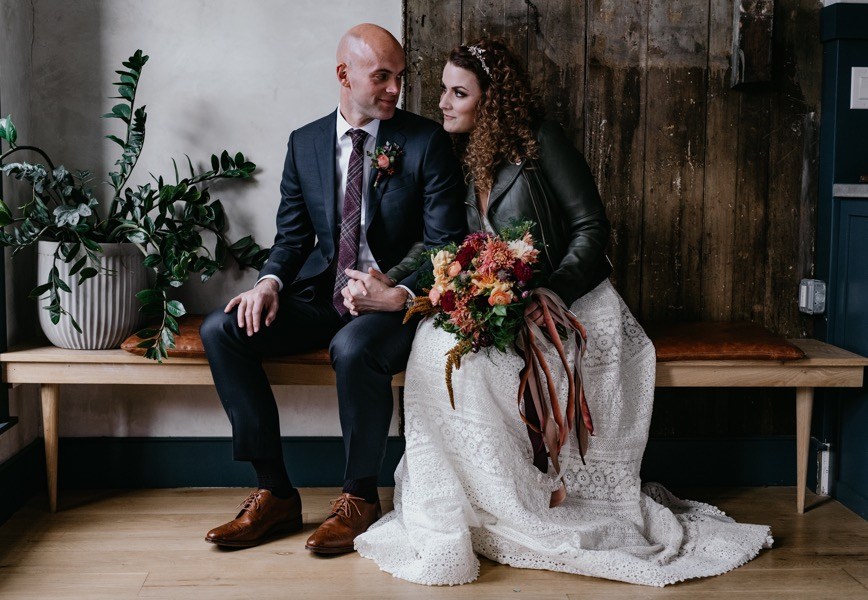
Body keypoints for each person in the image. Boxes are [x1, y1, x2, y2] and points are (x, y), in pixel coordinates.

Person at [354, 38, 772, 586]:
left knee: (476, 366)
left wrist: (549, 292)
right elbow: (445, 242)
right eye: (442, 90)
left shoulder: (540, 143)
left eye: (459, 93)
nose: (444, 102)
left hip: (569, 302)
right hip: (502, 299)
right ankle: (473, 501)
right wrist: (397, 278)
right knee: (435, 348)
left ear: (492, 100)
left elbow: (591, 229)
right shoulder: (460, 155)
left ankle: (524, 500)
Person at [199, 23, 466, 554]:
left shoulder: (423, 141)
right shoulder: (305, 143)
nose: (395, 89)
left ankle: (360, 497)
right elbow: (294, 236)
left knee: (353, 347)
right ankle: (273, 492)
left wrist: (394, 289)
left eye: (400, 77)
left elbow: (446, 243)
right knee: (222, 329)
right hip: (322, 297)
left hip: (392, 305)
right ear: (344, 75)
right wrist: (269, 283)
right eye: (382, 76)